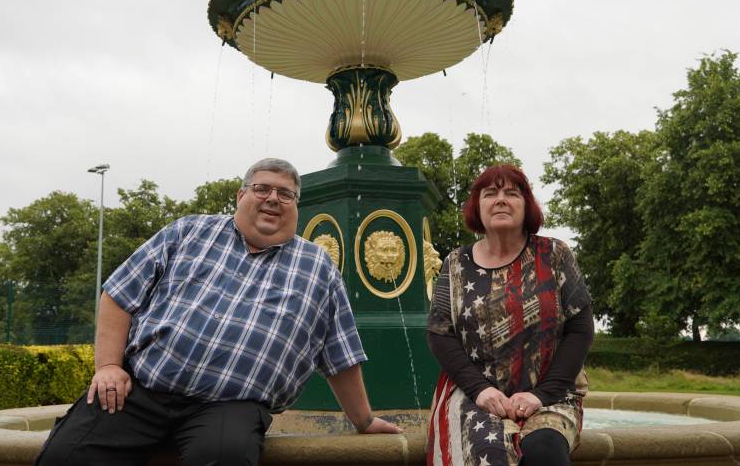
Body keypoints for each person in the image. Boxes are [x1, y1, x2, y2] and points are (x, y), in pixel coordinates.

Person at [36, 158, 400, 466]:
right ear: (241, 195)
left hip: (232, 406)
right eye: (262, 189)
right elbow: (119, 293)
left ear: (296, 206)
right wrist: (109, 366)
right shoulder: (189, 231)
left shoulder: (317, 266)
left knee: (225, 456)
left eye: (285, 194)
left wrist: (363, 419)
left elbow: (341, 353)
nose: (273, 198)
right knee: (65, 454)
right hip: (142, 391)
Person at [426, 164, 593, 466]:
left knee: (545, 452)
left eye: (512, 193)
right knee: (487, 453)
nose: (501, 199)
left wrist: (541, 395)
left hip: (550, 393)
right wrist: (480, 390)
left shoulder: (555, 255)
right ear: (478, 206)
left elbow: (580, 330)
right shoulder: (456, 263)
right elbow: (439, 334)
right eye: (490, 193)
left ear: (526, 205)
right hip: (474, 395)